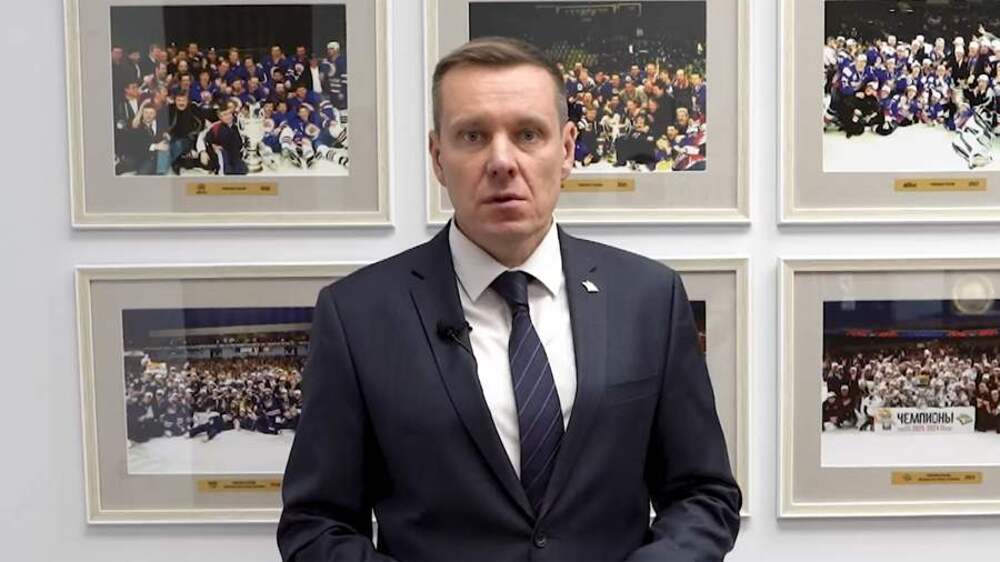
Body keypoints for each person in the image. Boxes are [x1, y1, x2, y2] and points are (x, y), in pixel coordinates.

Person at [277, 37, 740, 562]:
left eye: (528, 134)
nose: (502, 161)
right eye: (473, 135)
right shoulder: (357, 315)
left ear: (566, 150)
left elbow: (703, 495)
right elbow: (316, 525)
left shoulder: (649, 298)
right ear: (438, 157)